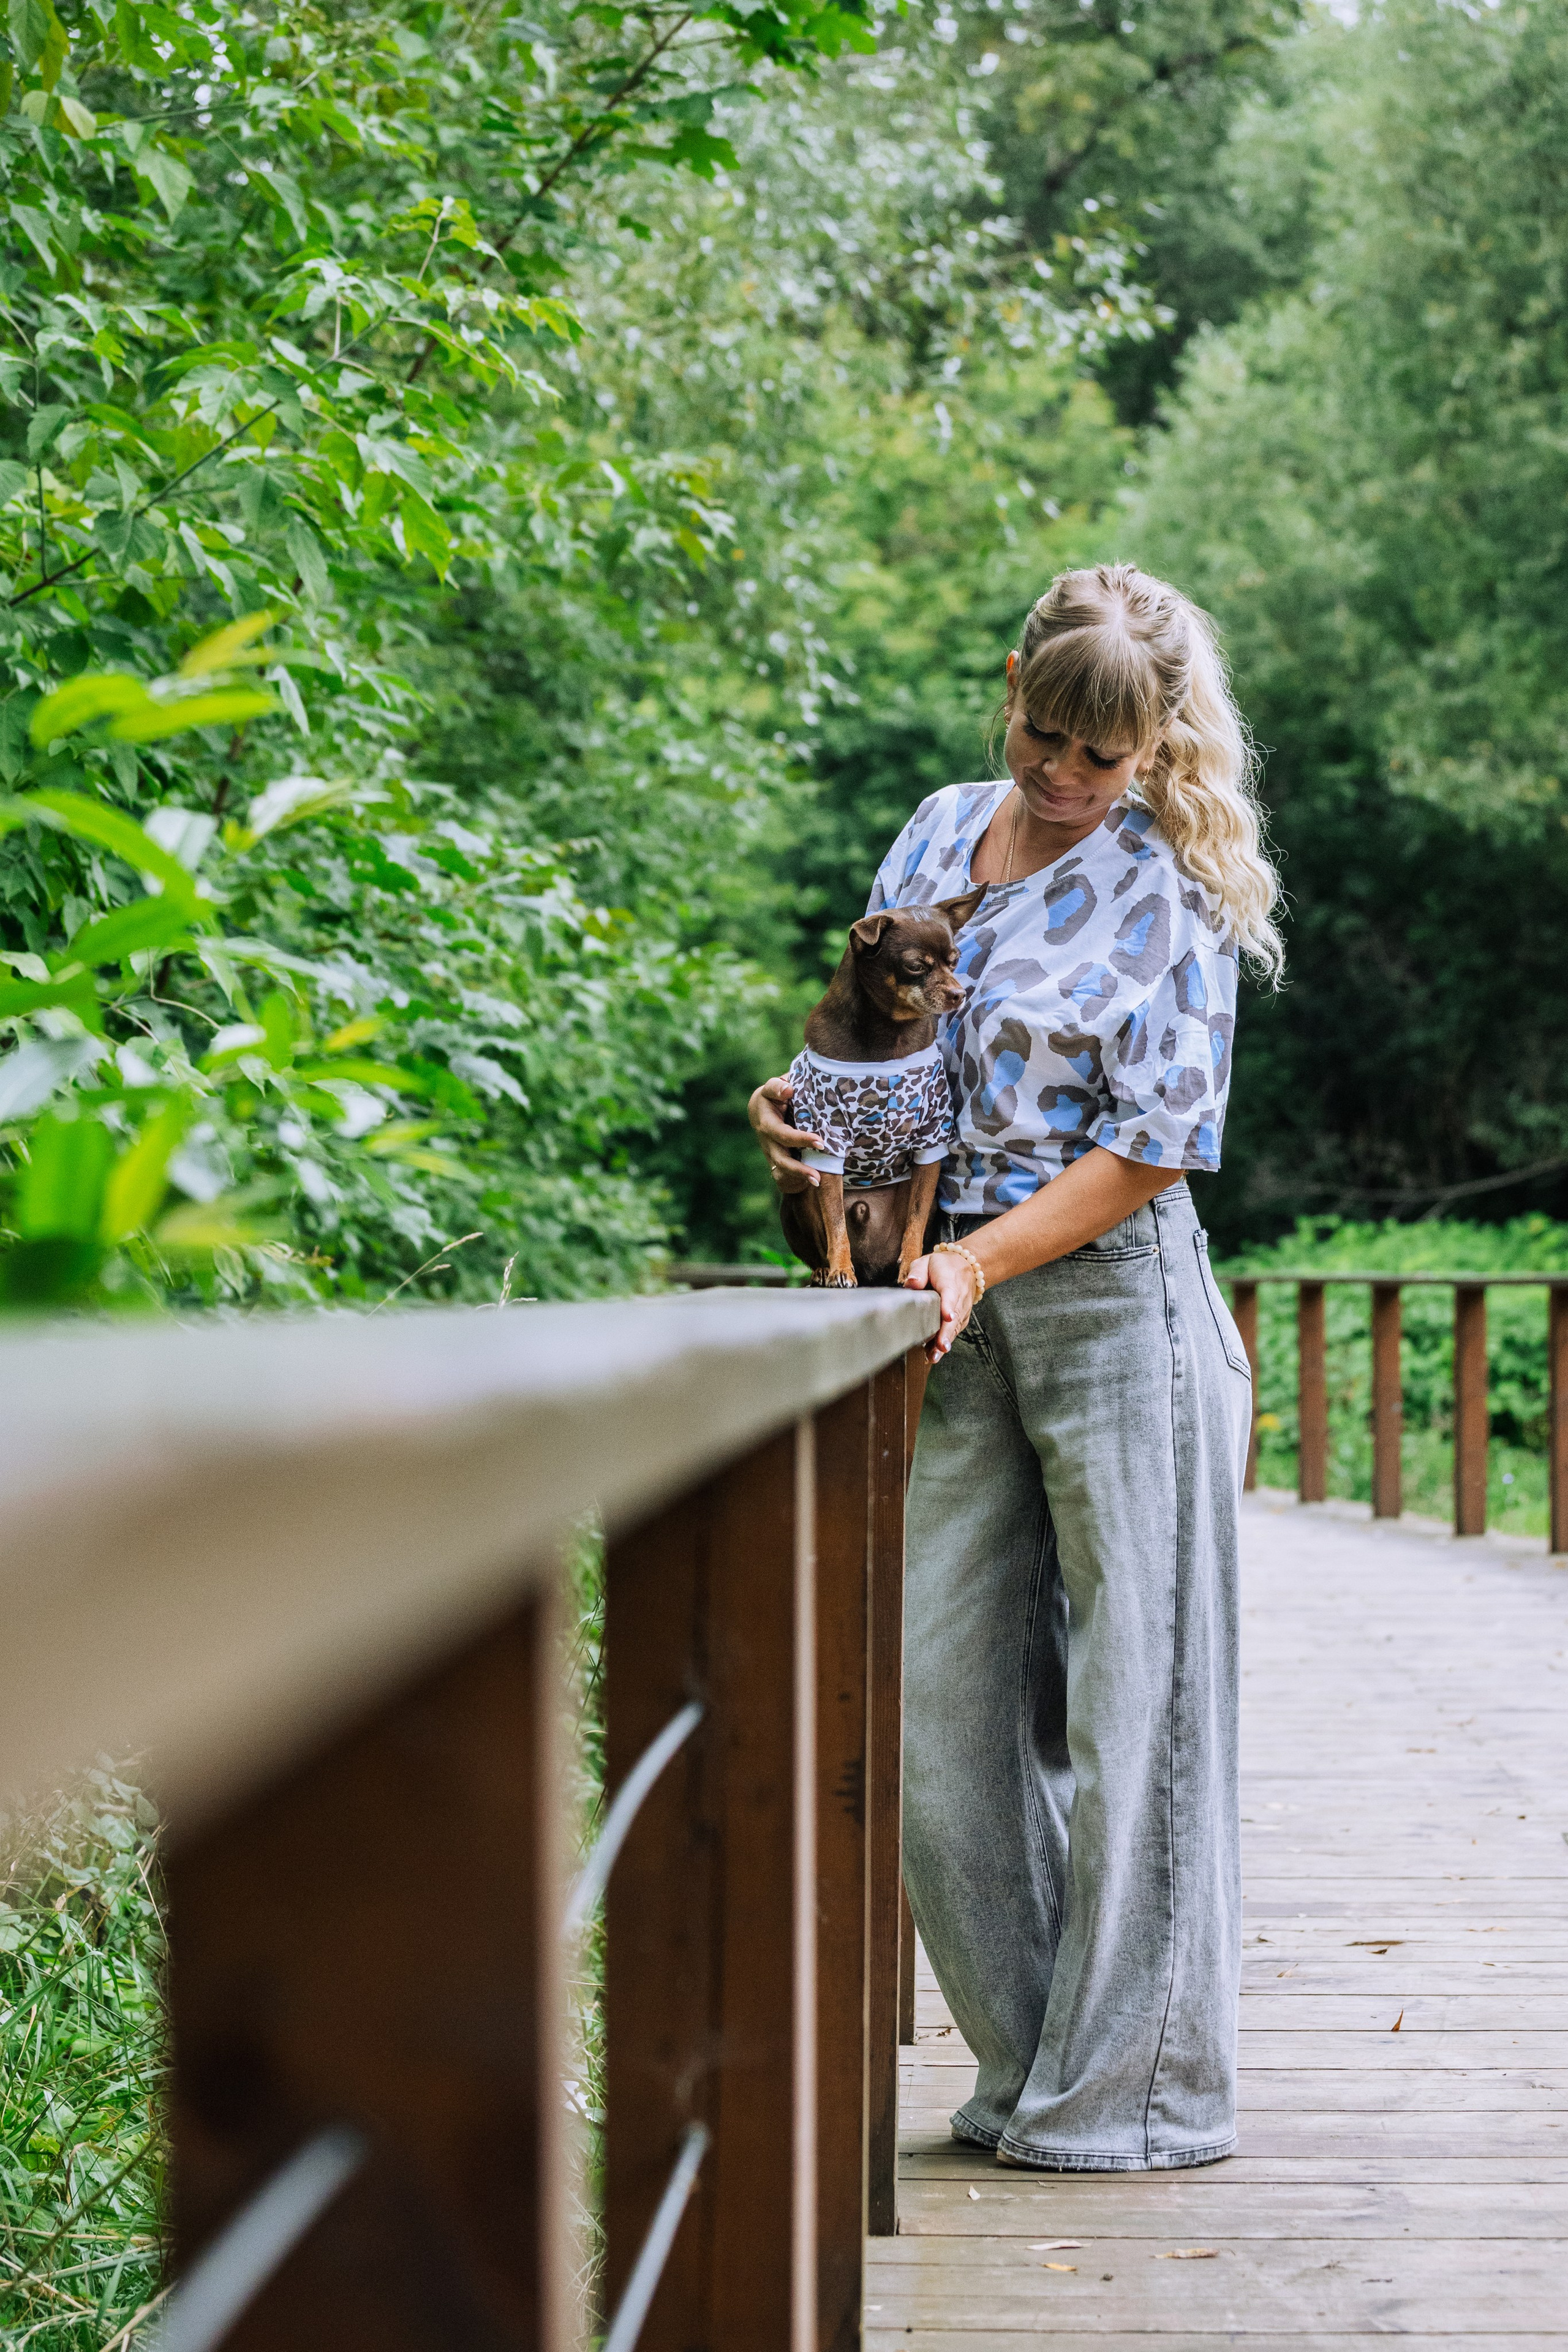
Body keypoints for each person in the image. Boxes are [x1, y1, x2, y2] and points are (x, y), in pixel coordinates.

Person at [748, 564, 1282, 2171]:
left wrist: (982, 1255)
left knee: (1144, 1709)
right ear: (1014, 691)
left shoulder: (1173, 879)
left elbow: (1158, 1148)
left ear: (1157, 746)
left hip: (1110, 1297)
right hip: (939, 1299)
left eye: (1101, 759)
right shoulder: (934, 826)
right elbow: (882, 1034)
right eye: (1046, 738)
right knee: (940, 1712)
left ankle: (1137, 2100)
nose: (1063, 779)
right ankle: (1042, 2069)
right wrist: (803, 1108)